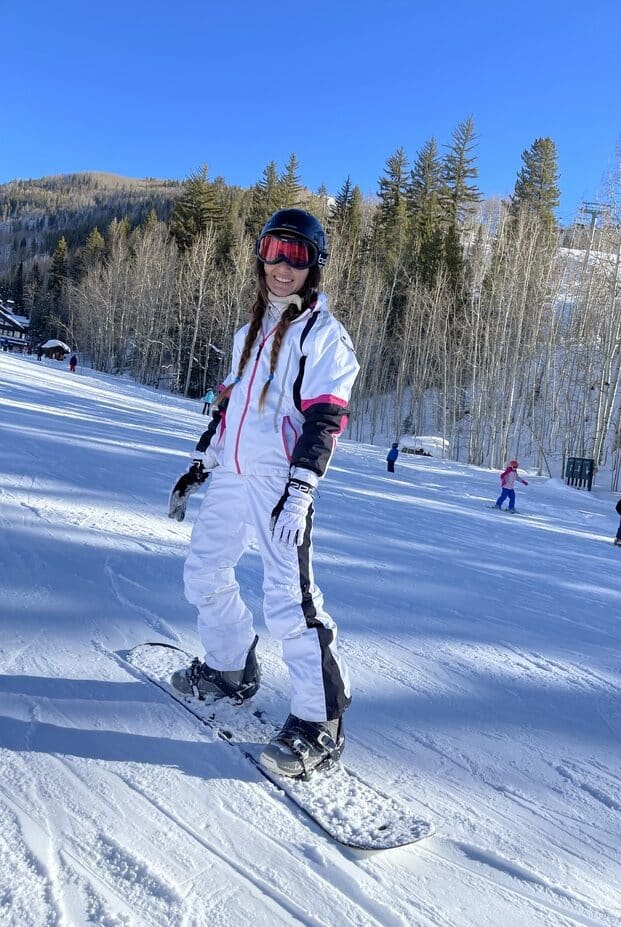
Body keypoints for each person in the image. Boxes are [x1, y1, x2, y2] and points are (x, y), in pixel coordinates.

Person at [168, 208, 360, 779]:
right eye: (273, 249)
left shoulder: (323, 335)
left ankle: (319, 720)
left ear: (314, 266)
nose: (282, 265)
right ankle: (230, 668)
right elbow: (229, 407)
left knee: (289, 599)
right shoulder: (247, 333)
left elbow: (327, 418)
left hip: (281, 478)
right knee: (203, 573)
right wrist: (202, 461)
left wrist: (301, 488)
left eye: (296, 254)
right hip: (231, 472)